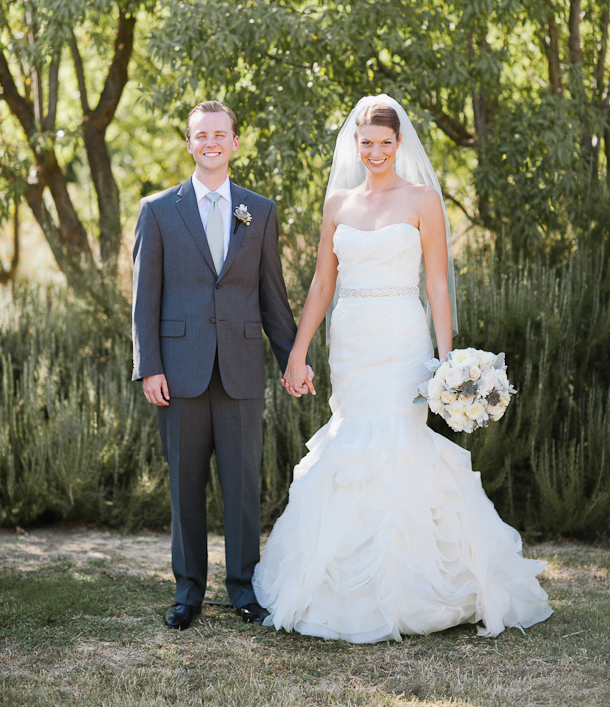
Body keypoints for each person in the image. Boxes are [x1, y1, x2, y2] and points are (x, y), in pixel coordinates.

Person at [253, 94, 552, 643]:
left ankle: (416, 586)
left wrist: (446, 359)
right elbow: (323, 283)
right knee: (352, 445)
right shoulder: (338, 204)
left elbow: (436, 282)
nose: (374, 152)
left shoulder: (422, 200)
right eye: (365, 143)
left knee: (399, 443)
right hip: (351, 340)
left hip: (401, 335)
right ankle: (339, 590)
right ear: (355, 144)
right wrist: (298, 351)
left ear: (399, 145)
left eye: (384, 144)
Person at [132, 100, 313, 630]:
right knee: (185, 485)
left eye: (220, 134)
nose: (210, 142)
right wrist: (150, 366)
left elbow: (272, 297)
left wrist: (292, 359)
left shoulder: (260, 211)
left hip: (239, 370)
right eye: (200, 134)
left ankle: (243, 590)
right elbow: (145, 299)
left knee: (241, 486)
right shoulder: (159, 209)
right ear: (188, 143)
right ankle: (188, 592)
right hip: (180, 372)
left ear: (236, 142)